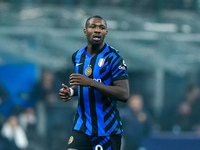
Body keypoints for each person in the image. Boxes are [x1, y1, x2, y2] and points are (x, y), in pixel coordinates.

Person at [59, 15, 130, 150]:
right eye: (93, 27)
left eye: (101, 28)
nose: (97, 30)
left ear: (105, 33)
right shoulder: (78, 56)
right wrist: (71, 91)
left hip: (106, 131)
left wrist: (91, 82)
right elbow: (83, 86)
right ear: (85, 31)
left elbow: (124, 94)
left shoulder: (114, 58)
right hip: (82, 126)